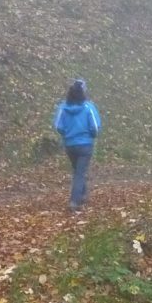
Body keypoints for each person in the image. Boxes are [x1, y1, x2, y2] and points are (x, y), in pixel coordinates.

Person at [52, 79, 101, 212]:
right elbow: (95, 127)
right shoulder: (88, 107)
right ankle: (74, 201)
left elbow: (58, 126)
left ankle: (83, 194)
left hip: (70, 145)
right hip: (85, 144)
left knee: (78, 171)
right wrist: (92, 135)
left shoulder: (63, 107)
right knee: (80, 172)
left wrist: (66, 134)